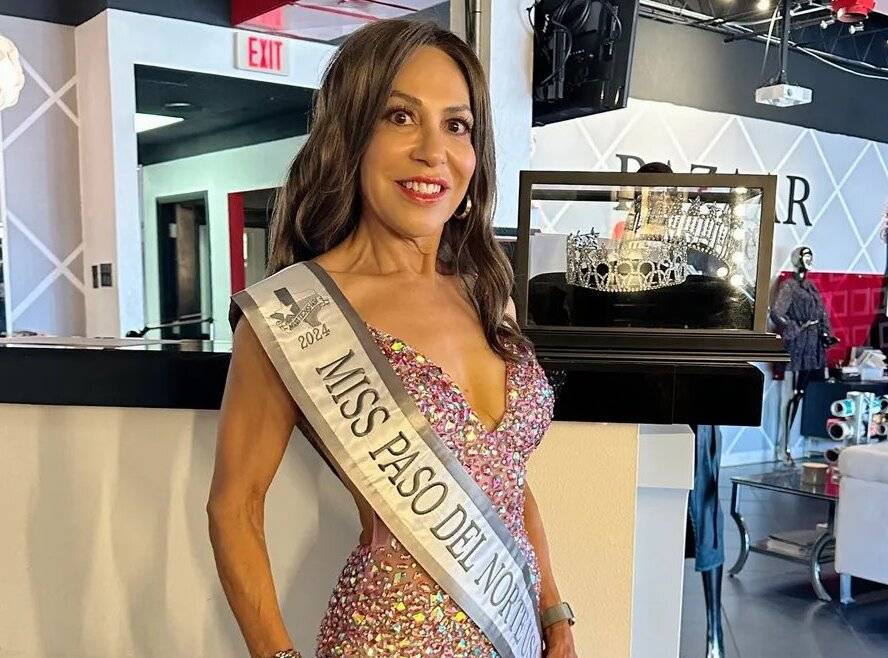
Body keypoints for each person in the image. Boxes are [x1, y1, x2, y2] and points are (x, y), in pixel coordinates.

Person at [207, 19, 577, 658]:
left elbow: (503, 479)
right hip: (386, 639)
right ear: (350, 136)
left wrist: (555, 616)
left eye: (456, 125)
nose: (433, 151)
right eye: (400, 117)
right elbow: (233, 508)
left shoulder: (488, 292)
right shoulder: (299, 313)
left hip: (515, 632)